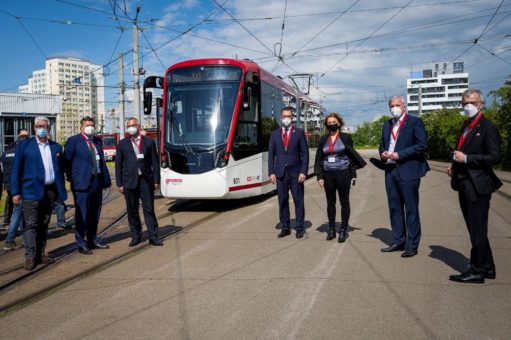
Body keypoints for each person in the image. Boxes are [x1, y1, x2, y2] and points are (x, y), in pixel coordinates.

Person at [448, 89, 502, 284]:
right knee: (475, 228)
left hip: (478, 185)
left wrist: (468, 158)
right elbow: (461, 150)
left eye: (471, 102)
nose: (467, 106)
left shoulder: (487, 127)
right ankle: (488, 267)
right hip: (464, 182)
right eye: (464, 103)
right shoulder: (467, 125)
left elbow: (495, 157)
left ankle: (476, 270)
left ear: (481, 104)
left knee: (477, 229)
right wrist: (454, 165)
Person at [11, 117, 67, 270]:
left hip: (49, 192)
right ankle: (30, 256)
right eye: (39, 126)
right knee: (30, 225)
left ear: (49, 128)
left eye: (45, 126)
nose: (42, 128)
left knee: (44, 224)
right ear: (35, 128)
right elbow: (16, 170)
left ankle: (41, 253)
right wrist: (15, 192)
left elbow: (60, 169)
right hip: (30, 192)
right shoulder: (25, 146)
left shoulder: (55, 147)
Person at [379, 96, 429, 258]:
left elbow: (422, 145)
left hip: (408, 170)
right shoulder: (387, 124)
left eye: (397, 105)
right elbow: (382, 144)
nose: (394, 108)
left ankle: (412, 244)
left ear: (404, 106)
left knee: (411, 209)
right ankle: (398, 241)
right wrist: (383, 153)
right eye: (392, 106)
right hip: (390, 170)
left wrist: (400, 154)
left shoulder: (415, 122)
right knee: (394, 208)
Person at [314, 113, 366, 242]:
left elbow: (352, 157)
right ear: (326, 124)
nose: (332, 124)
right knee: (330, 202)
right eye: (329, 122)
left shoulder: (346, 137)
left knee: (344, 202)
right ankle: (331, 229)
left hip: (343, 173)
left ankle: (343, 230)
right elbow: (319, 158)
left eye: (334, 122)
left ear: (339, 123)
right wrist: (319, 176)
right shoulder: (323, 139)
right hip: (328, 174)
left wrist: (353, 174)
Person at [64, 116, 111, 255]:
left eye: (92, 125)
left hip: (96, 181)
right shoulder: (73, 141)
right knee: (82, 214)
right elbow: (66, 161)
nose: (90, 127)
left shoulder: (97, 141)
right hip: (82, 184)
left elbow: (101, 160)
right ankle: (81, 242)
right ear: (81, 128)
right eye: (87, 125)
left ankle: (93, 239)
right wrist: (72, 177)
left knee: (94, 214)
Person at [115, 117, 163, 247]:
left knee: (149, 209)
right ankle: (136, 235)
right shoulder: (123, 143)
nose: (131, 128)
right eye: (128, 126)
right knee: (132, 210)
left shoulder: (148, 142)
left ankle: (153, 236)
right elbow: (118, 165)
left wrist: (156, 180)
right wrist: (119, 183)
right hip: (129, 182)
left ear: (138, 126)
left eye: (133, 125)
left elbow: (155, 162)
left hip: (145, 181)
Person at [268, 106, 309, 239]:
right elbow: (271, 155)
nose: (286, 119)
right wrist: (271, 172)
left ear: (292, 118)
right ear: (281, 118)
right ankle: (285, 228)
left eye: (289, 116)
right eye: (284, 116)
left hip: (296, 173)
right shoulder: (274, 134)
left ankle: (299, 228)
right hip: (280, 173)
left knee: (298, 201)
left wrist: (303, 171)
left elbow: (305, 153)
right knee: (283, 201)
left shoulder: (299, 132)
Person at [2, 131, 29, 250]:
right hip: (20, 186)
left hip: (9, 185)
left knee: (20, 211)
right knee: (18, 212)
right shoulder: (23, 154)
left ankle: (24, 237)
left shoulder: (5, 153)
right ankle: (9, 239)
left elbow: (2, 169)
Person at [47, 133, 67, 229]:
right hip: (45, 182)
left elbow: (63, 163)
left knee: (59, 201)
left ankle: (61, 221)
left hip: (57, 180)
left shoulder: (57, 147)